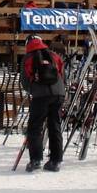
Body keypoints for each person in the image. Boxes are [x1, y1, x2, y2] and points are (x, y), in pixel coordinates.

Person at [21, 35, 65, 172]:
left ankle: (36, 160)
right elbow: (62, 73)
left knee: (35, 127)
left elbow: (25, 81)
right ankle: (56, 161)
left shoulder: (28, 58)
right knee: (55, 126)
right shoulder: (53, 55)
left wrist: (33, 90)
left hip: (41, 95)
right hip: (58, 93)